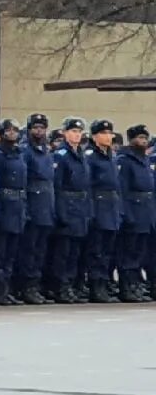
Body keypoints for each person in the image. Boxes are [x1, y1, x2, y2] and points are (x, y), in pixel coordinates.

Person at [48, 116, 91, 303]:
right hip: (67, 205)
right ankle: (60, 286)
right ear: (65, 133)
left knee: (75, 252)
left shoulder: (80, 154)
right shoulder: (61, 155)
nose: (77, 135)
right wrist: (60, 212)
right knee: (63, 252)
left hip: (80, 207)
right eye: (73, 131)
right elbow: (56, 186)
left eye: (79, 132)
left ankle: (71, 285)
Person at [16, 112, 57, 303]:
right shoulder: (25, 150)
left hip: (46, 205)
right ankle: (25, 287)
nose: (39, 131)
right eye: (35, 128)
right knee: (29, 250)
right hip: (33, 204)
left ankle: (36, 285)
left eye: (42, 128)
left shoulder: (46, 150)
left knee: (40, 250)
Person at [0, 119, 27, 304]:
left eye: (15, 130)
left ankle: (7, 288)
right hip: (4, 204)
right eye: (8, 130)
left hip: (18, 205)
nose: (12, 133)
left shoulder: (19, 154)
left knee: (12, 253)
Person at [84, 119, 123, 303]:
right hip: (99, 206)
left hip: (112, 207)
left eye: (110, 133)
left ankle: (104, 283)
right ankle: (96, 286)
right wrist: (91, 211)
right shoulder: (90, 156)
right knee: (96, 250)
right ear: (94, 136)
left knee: (108, 250)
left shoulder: (112, 156)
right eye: (104, 133)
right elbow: (88, 185)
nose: (108, 137)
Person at [117, 123, 154, 300]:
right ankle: (127, 286)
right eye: (140, 138)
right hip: (133, 210)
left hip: (146, 212)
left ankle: (137, 285)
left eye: (145, 138)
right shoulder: (125, 161)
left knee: (140, 252)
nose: (143, 141)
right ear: (131, 140)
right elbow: (122, 190)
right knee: (129, 252)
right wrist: (126, 213)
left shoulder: (144, 160)